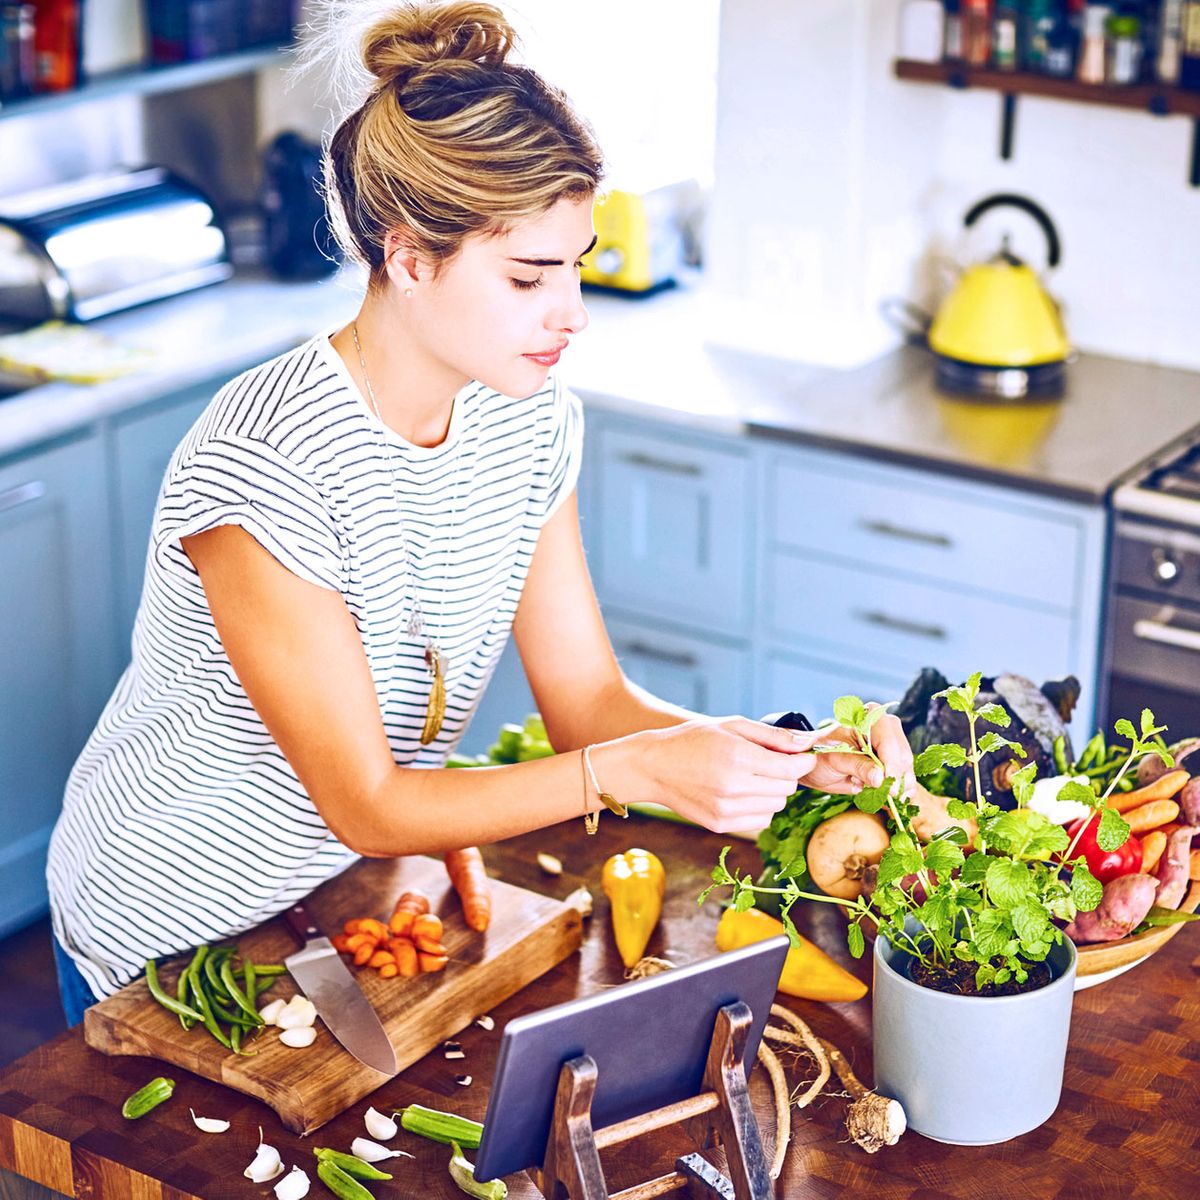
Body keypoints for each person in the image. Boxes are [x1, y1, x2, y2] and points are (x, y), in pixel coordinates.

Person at [46, 0, 913, 1023]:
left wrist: (779, 759)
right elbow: (368, 800)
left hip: (322, 897)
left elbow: (586, 700)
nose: (572, 311)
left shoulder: (529, 418)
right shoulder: (265, 464)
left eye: (577, 263)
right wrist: (632, 769)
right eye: (528, 276)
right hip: (163, 918)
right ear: (410, 258)